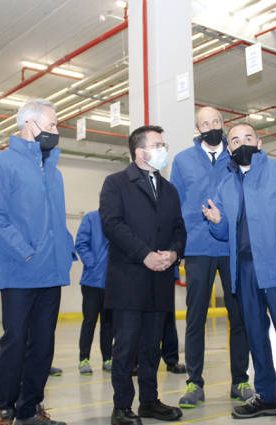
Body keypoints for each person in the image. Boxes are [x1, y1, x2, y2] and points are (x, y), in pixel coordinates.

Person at [202, 122, 276, 425]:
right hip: (244, 269)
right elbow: (225, 231)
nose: (242, 144)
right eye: (235, 140)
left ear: (260, 142)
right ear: (229, 149)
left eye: (248, 138)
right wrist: (215, 221)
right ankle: (265, 397)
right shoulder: (225, 184)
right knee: (255, 335)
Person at [0, 98, 75, 425]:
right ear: (28, 125)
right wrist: (26, 249)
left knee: (43, 345)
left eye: (55, 125)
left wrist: (66, 246)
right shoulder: (2, 163)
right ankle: (4, 410)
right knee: (16, 341)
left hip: (51, 271)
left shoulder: (54, 171)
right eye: (50, 125)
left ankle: (30, 409)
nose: (55, 130)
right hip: (21, 270)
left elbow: (54, 221)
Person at [100, 125, 186, 425]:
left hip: (160, 278)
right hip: (129, 278)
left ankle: (149, 401)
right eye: (158, 144)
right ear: (140, 152)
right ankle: (122, 407)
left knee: (152, 345)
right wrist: (145, 254)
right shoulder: (115, 184)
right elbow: (112, 225)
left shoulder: (169, 189)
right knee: (126, 346)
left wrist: (173, 253)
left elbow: (178, 228)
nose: (164, 149)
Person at [170, 106, 252, 407]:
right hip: (197, 248)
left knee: (238, 315)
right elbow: (173, 207)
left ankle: (240, 379)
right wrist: (177, 247)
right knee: (195, 318)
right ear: (197, 129)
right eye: (205, 123)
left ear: (223, 124)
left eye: (216, 121)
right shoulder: (182, 161)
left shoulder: (236, 156)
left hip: (231, 246)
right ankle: (194, 382)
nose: (212, 126)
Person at [75, 210, 113, 375]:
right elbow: (81, 243)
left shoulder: (119, 219)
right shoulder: (90, 218)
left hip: (112, 282)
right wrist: (92, 263)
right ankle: (84, 358)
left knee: (109, 324)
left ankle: (108, 358)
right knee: (89, 321)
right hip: (92, 281)